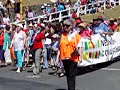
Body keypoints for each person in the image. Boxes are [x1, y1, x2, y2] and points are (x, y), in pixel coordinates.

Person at [57, 19, 81, 90]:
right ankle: (70, 88)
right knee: (68, 75)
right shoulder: (62, 35)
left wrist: (81, 57)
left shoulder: (76, 35)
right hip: (64, 58)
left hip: (73, 58)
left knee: (71, 75)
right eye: (64, 25)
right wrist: (57, 58)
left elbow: (80, 46)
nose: (65, 27)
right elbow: (60, 47)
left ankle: (71, 89)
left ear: (71, 26)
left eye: (67, 26)